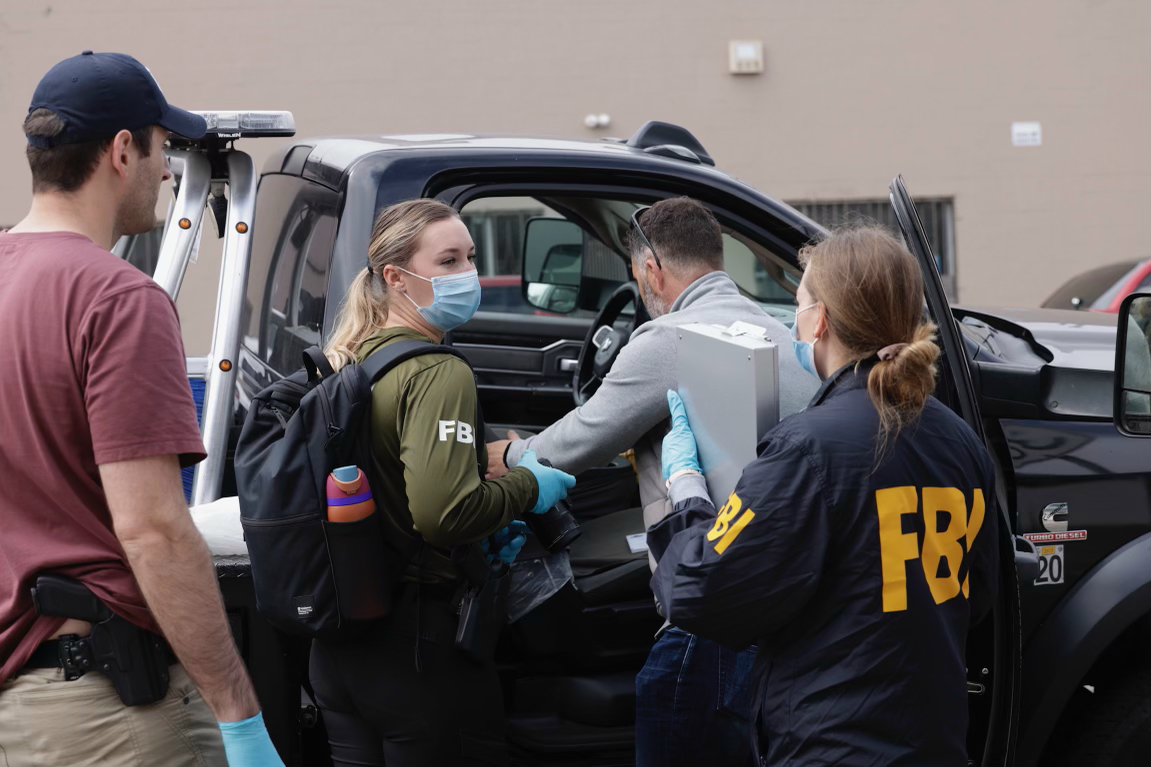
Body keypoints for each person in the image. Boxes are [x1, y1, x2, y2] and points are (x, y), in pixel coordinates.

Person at [0, 53, 280, 766]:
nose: (168, 172)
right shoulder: (120, 299)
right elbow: (153, 529)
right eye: (164, 149)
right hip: (104, 712)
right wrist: (239, 714)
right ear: (123, 150)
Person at [485, 197, 818, 766]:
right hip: (778, 600)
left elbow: (581, 439)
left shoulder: (667, 340)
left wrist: (511, 452)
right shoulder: (779, 333)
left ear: (650, 271)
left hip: (702, 602)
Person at [650, 227, 1000, 766]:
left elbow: (703, 589)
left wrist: (687, 490)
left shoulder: (806, 448)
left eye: (799, 304)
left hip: (830, 746)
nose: (796, 320)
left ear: (821, 320)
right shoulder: (960, 441)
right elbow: (976, 598)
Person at [310, 199, 575, 767]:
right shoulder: (437, 371)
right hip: (418, 648)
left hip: (341, 645)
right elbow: (443, 514)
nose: (467, 275)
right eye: (448, 260)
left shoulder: (351, 359)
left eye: (470, 258)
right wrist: (528, 487)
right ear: (396, 278)